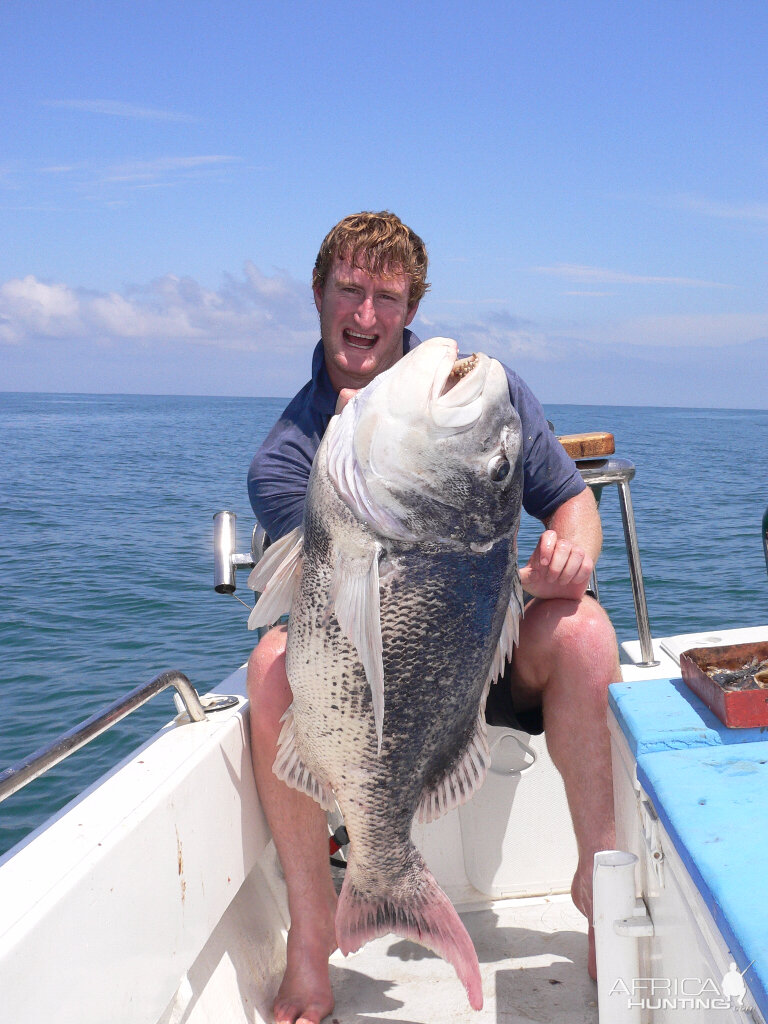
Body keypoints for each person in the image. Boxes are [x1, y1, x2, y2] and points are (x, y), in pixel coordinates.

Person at [246, 211, 620, 1024]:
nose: (367, 314)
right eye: (350, 289)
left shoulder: (478, 397)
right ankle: (314, 942)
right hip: (371, 696)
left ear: (412, 305)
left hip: (485, 649)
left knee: (587, 632)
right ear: (318, 296)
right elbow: (310, 601)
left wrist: (571, 551)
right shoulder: (285, 458)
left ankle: (600, 883)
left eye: (388, 295)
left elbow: (573, 503)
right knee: (272, 667)